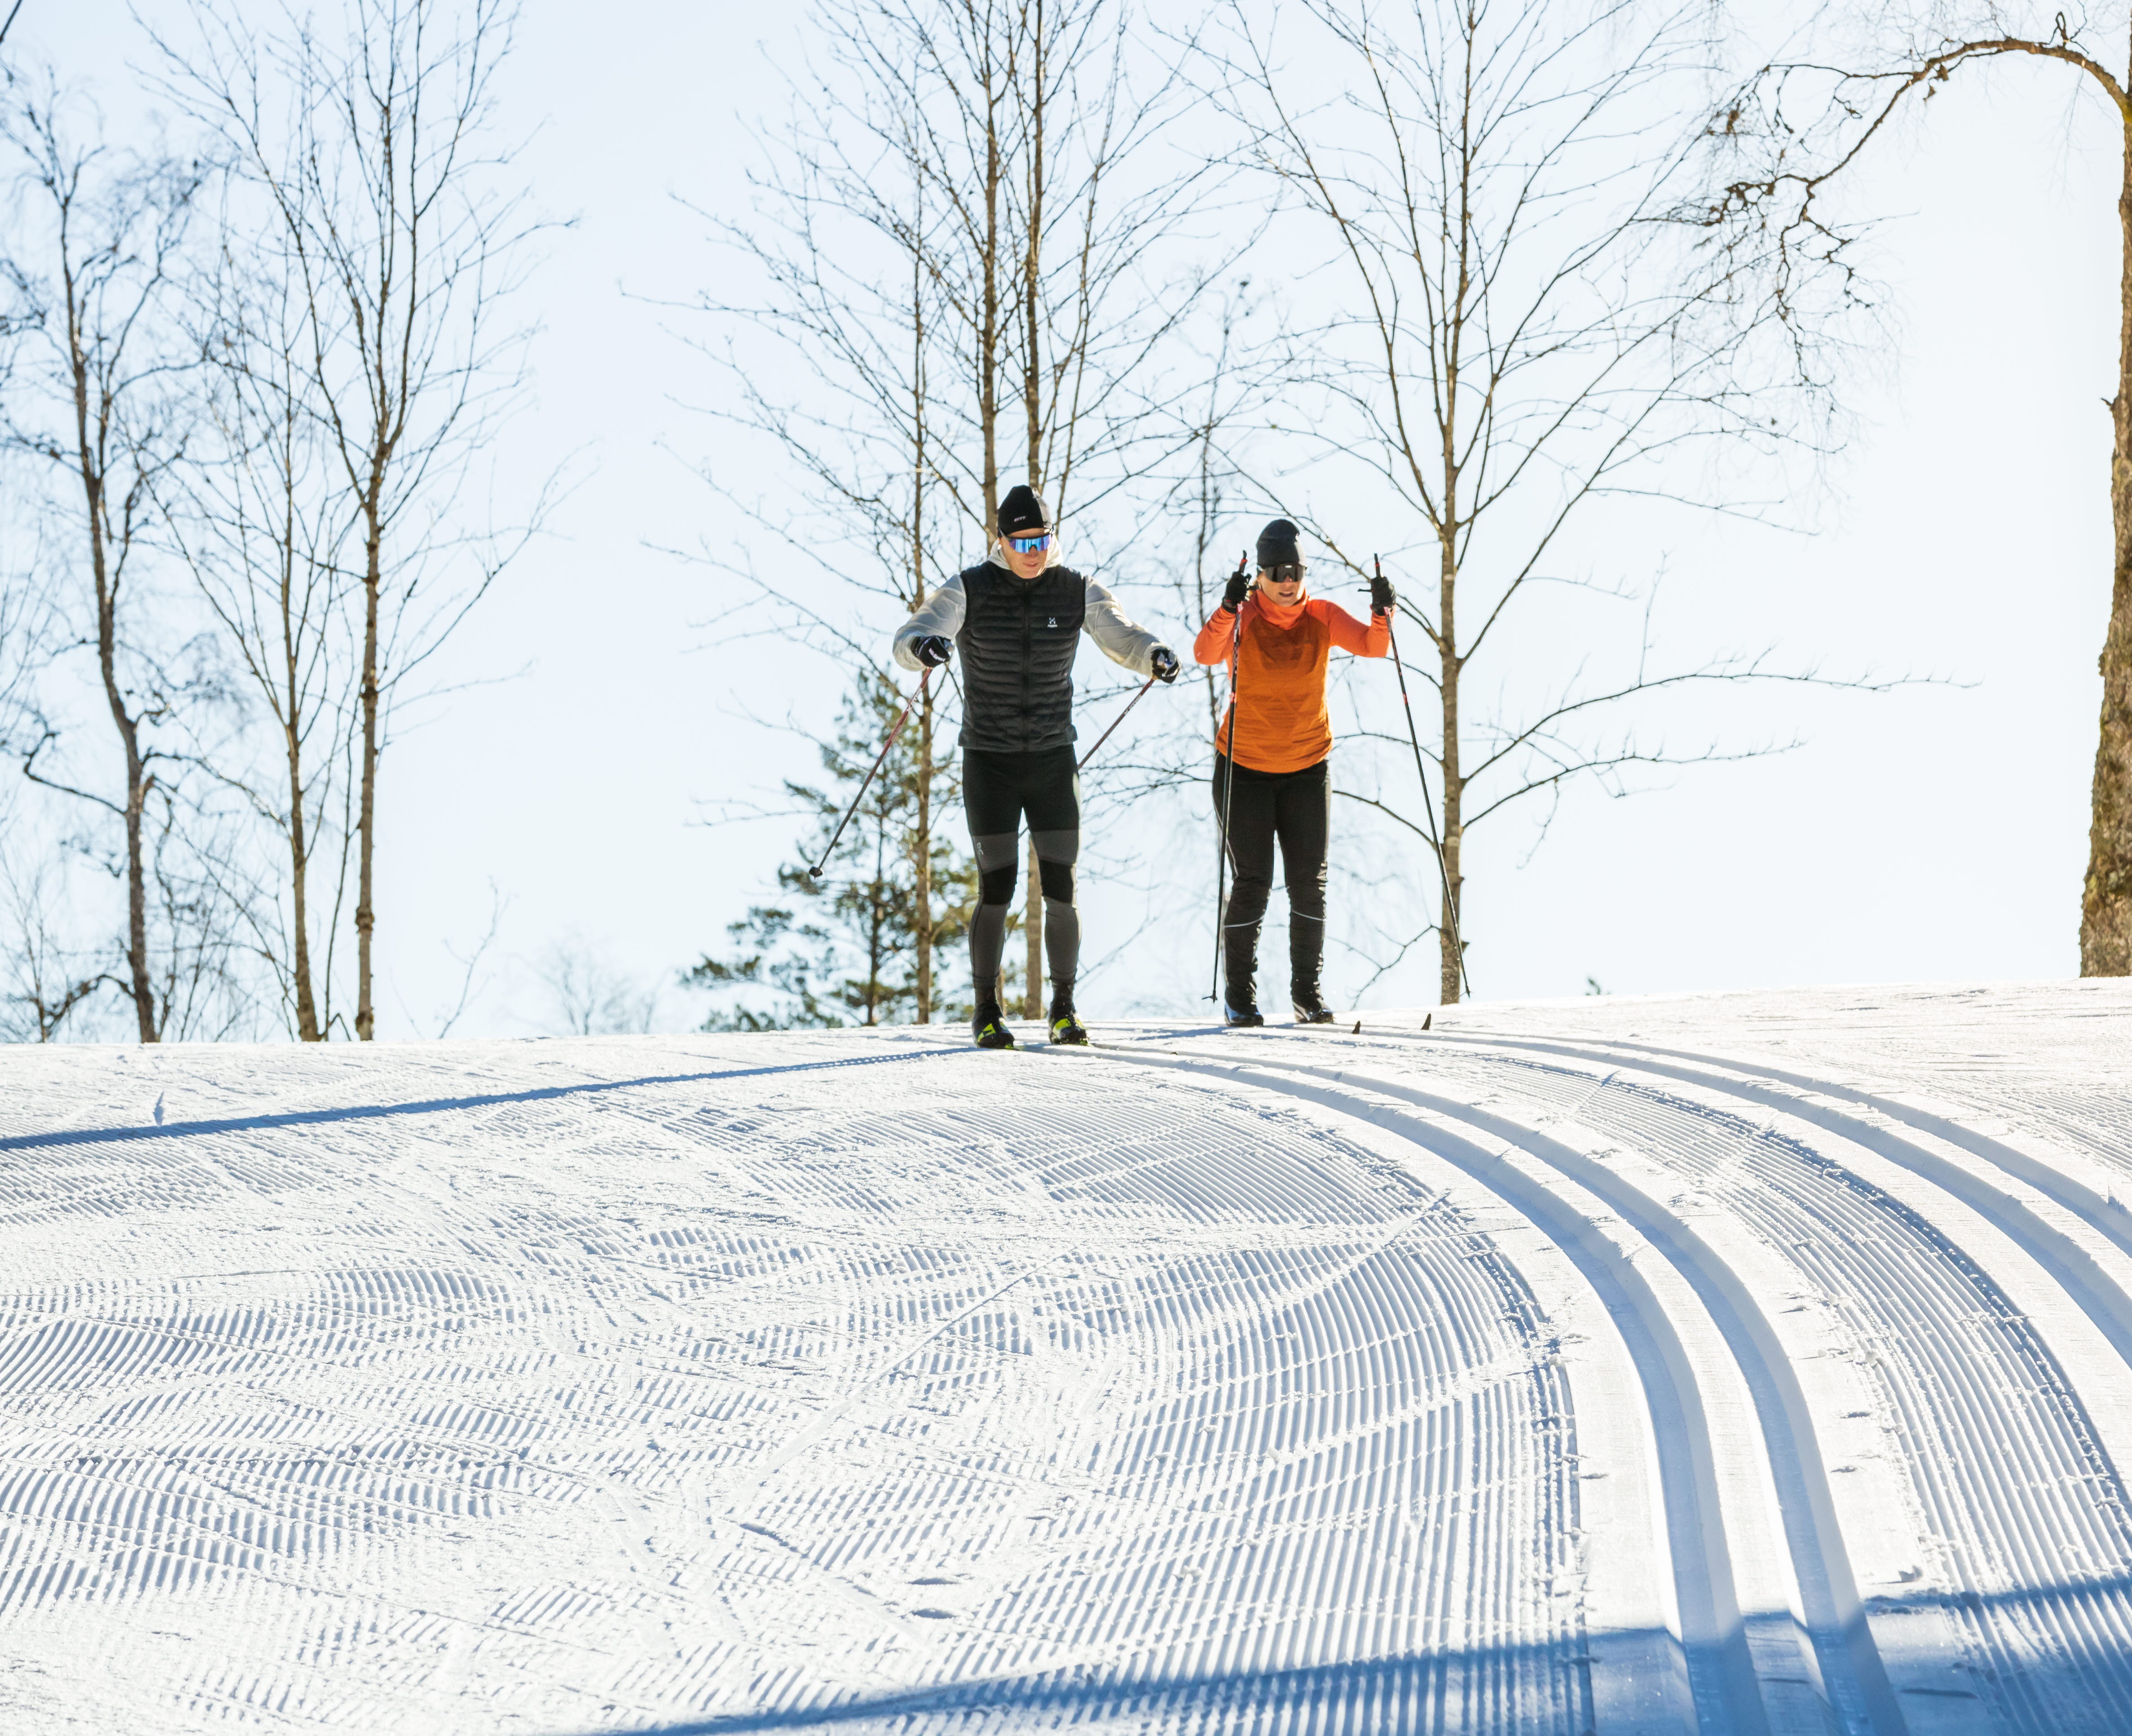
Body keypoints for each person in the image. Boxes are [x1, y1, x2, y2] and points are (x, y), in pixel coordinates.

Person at [893, 484, 1179, 1049]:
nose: (1033, 550)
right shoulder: (969, 588)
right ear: (1001, 540)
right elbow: (911, 637)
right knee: (996, 887)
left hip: (1052, 759)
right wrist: (924, 647)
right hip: (990, 761)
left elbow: (1122, 636)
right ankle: (986, 1012)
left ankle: (1065, 1010)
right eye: (1022, 540)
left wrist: (1154, 655)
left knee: (1061, 888)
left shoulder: (1076, 590)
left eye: (1042, 538)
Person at [1194, 518, 1392, 1026]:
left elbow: (1374, 646)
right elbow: (1205, 653)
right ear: (1259, 574)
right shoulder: (1241, 617)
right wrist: (1225, 608)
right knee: (1253, 881)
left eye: (1296, 570)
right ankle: (1240, 997)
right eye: (1278, 570)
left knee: (1309, 882)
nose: (1288, 580)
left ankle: (1308, 992)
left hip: (1307, 767)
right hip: (1243, 768)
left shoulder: (1322, 615)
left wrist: (1382, 610)